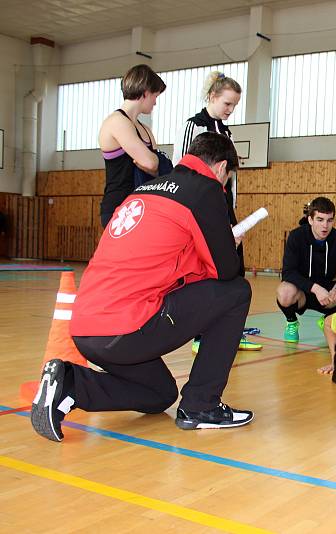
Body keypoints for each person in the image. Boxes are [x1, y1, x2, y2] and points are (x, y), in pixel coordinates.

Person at [30, 133, 255, 442]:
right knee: (237, 292)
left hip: (86, 329)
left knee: (159, 394)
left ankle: (71, 383)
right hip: (125, 327)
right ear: (221, 168)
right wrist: (228, 243)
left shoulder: (146, 189)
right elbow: (226, 271)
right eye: (227, 177)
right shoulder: (204, 190)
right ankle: (201, 406)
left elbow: (168, 261)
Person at [171, 71, 260, 353]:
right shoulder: (194, 127)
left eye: (234, 105)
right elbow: (184, 170)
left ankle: (229, 331)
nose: (231, 110)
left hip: (224, 209)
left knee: (234, 268)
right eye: (227, 104)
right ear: (212, 97)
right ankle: (202, 333)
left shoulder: (226, 131)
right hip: (203, 210)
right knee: (210, 270)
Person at [277, 196, 336, 342]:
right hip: (303, 291)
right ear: (310, 220)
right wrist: (314, 288)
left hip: (329, 293)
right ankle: (292, 321)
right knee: (284, 291)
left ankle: (328, 320)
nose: (325, 226)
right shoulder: (296, 236)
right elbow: (288, 272)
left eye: (329, 220)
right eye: (320, 220)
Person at [98, 64, 167, 227]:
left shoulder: (145, 129)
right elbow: (151, 162)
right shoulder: (116, 122)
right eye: (155, 96)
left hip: (142, 206)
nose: (155, 103)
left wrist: (155, 162)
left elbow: (156, 166)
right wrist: (156, 162)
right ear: (146, 92)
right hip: (119, 207)